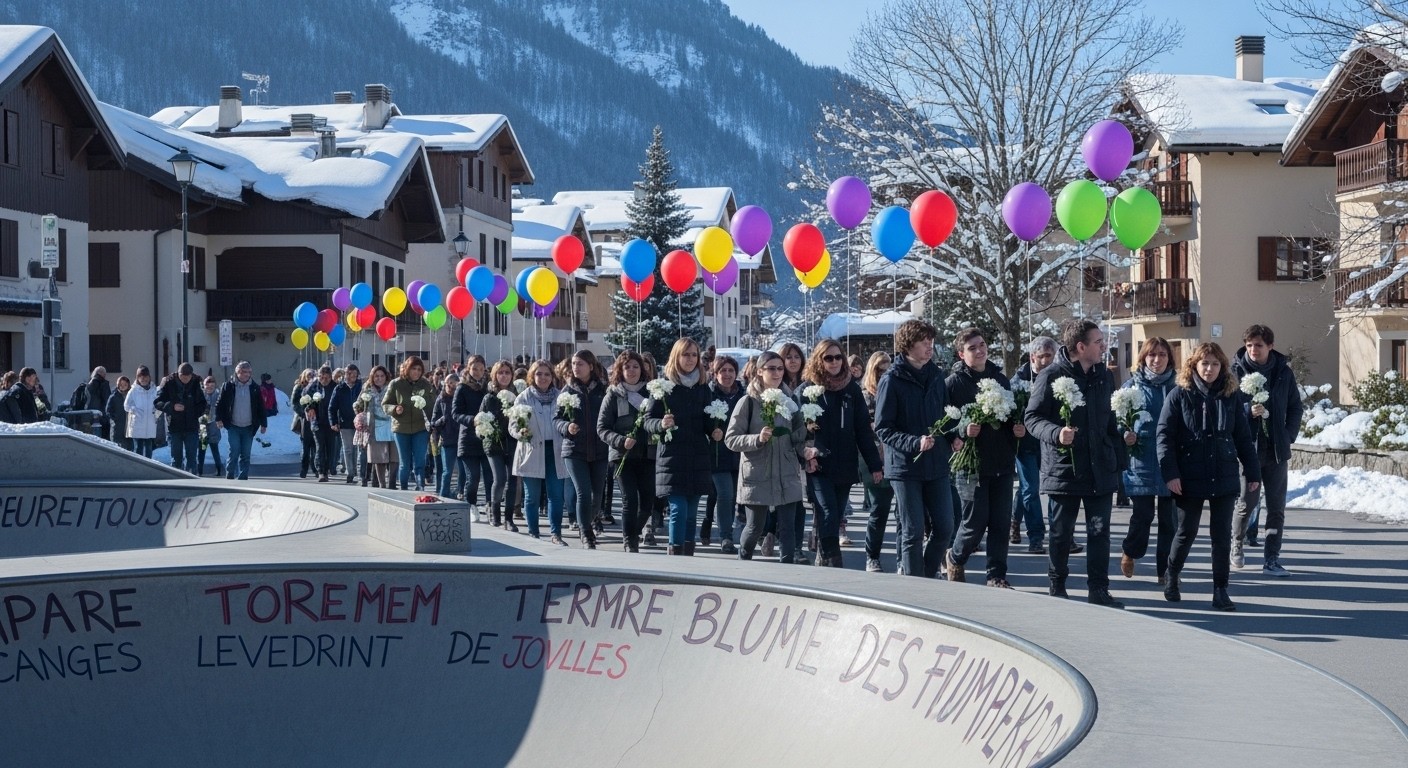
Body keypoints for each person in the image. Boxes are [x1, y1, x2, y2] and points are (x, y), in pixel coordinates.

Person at [1024, 319, 1135, 607]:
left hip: (1101, 469)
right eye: (1098, 342)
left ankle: (1098, 590)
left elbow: (1110, 421)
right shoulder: (1050, 376)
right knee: (1061, 534)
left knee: (1100, 533)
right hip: (1065, 469)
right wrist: (1056, 434)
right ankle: (1057, 586)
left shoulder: (1104, 376)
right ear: (1081, 346)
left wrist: (1119, 459)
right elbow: (1032, 419)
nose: (1104, 346)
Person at [1158, 342, 1262, 611]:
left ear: (1222, 367)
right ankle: (1172, 574)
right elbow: (1165, 437)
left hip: (1224, 474)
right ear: (1194, 365)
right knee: (1186, 531)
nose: (1209, 369)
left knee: (1221, 535)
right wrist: (1171, 473)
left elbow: (1242, 436)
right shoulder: (1179, 394)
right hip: (1189, 475)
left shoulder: (1231, 395)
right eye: (1204, 363)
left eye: (1215, 364)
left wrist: (1252, 471)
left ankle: (1220, 590)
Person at [875, 319, 960, 578]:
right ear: (908, 345)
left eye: (931, 342)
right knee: (912, 531)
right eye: (924, 342)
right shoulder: (891, 380)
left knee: (946, 527)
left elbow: (946, 415)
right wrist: (914, 442)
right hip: (905, 468)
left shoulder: (936, 375)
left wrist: (953, 435)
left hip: (936, 464)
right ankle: (915, 588)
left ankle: (925, 572)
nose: (929, 347)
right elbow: (883, 428)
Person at [944, 328, 1023, 588]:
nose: (980, 351)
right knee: (974, 522)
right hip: (971, 465)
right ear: (961, 354)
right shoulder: (953, 383)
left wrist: (1017, 428)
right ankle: (955, 557)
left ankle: (996, 575)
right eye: (972, 348)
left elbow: (1010, 416)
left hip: (1001, 460)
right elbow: (945, 423)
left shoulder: (1000, 379)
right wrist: (962, 431)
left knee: (1000, 522)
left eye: (982, 345)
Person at [725, 351, 814, 561]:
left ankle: (787, 572)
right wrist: (757, 438)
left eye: (780, 368)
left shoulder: (790, 400)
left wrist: (807, 445)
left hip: (787, 472)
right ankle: (743, 561)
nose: (777, 373)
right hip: (757, 474)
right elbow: (731, 439)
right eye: (771, 368)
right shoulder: (748, 401)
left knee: (788, 528)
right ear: (759, 371)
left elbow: (797, 438)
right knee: (755, 526)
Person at [802, 339, 882, 567]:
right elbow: (798, 429)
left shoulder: (852, 390)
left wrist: (875, 465)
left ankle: (823, 553)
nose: (835, 362)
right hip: (818, 464)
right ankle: (833, 560)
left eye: (838, 357)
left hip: (845, 463)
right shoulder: (808, 388)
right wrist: (807, 453)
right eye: (829, 358)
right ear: (819, 360)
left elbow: (863, 432)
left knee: (835, 514)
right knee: (827, 511)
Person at [1231, 324, 1302, 577]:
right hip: (1248, 450)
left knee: (1276, 508)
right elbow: (1227, 407)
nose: (1253, 350)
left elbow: (1295, 407)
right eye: (1249, 345)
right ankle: (1237, 545)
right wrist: (1246, 412)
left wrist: (1287, 435)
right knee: (1246, 503)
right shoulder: (1235, 371)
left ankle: (1272, 558)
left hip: (1275, 451)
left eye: (1258, 345)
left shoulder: (1283, 372)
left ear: (1270, 346)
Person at [646, 338, 714, 556]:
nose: (690, 359)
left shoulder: (703, 387)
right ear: (676, 356)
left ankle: (688, 556)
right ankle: (675, 556)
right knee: (678, 509)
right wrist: (660, 424)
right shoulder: (664, 386)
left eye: (694, 355)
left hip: (697, 456)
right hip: (672, 457)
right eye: (686, 354)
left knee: (692, 513)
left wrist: (716, 428)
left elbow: (708, 419)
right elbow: (648, 420)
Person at [1119, 337, 1178, 585]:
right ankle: (1131, 551)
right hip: (1140, 461)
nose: (1157, 360)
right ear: (1143, 358)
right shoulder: (1131, 387)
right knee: (1142, 516)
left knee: (1169, 522)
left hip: (1170, 463)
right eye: (1152, 355)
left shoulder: (1179, 387)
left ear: (1170, 359)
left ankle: (1165, 572)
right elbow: (1116, 419)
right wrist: (1125, 434)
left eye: (1162, 355)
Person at [598, 351, 654, 552]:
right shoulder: (613, 394)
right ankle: (629, 541)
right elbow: (602, 428)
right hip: (623, 456)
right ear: (620, 370)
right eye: (627, 367)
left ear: (643, 369)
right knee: (629, 499)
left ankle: (634, 531)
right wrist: (620, 441)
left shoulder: (651, 393)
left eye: (635, 366)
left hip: (648, 455)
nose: (631, 371)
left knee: (648, 502)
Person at [556, 350, 609, 549]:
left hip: (599, 450)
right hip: (574, 450)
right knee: (583, 493)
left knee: (597, 496)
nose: (576, 368)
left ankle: (589, 519)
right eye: (574, 364)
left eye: (580, 364)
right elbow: (557, 419)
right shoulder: (567, 391)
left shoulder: (602, 390)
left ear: (591, 366)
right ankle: (585, 532)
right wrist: (566, 428)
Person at [511, 359, 567, 544]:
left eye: (547, 374)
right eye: (539, 374)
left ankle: (555, 534)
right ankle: (534, 533)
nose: (543, 378)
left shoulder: (561, 396)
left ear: (552, 376)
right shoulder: (523, 398)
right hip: (532, 449)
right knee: (532, 497)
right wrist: (520, 432)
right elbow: (512, 425)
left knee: (556, 495)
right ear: (532, 376)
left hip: (555, 450)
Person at [1011, 337, 1056, 554]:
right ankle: (1036, 536)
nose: (1046, 361)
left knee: (1049, 488)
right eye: (1042, 357)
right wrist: (1015, 425)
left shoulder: (1059, 376)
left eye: (1050, 356)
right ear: (1032, 357)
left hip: (1050, 442)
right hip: (1026, 443)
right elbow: (1008, 410)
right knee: (1030, 488)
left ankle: (1015, 518)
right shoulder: (1018, 381)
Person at [704, 354, 745, 554]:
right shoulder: (708, 394)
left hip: (739, 454)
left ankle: (712, 523)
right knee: (725, 494)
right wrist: (711, 430)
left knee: (734, 496)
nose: (727, 375)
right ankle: (726, 537)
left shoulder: (743, 395)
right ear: (715, 373)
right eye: (723, 371)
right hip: (717, 454)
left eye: (730, 370)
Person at [860, 351, 895, 573]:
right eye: (879, 370)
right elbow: (864, 432)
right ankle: (872, 556)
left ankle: (904, 559)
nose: (883, 374)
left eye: (887, 369)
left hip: (898, 457)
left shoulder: (894, 391)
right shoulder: (864, 396)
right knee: (879, 510)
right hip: (873, 458)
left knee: (904, 512)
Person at [382, 356, 436, 492]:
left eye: (419, 369)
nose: (416, 372)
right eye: (414, 369)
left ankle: (420, 487)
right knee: (405, 464)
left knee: (420, 462)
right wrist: (395, 409)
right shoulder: (396, 384)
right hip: (401, 428)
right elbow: (385, 404)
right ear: (407, 369)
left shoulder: (425, 384)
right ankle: (404, 490)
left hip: (420, 428)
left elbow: (432, 405)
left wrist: (433, 423)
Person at [479, 360, 519, 531]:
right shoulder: (489, 397)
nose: (504, 376)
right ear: (495, 375)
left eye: (507, 372)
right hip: (493, 443)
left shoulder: (517, 395)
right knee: (500, 479)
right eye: (500, 372)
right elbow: (480, 419)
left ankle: (508, 518)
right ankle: (495, 511)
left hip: (512, 442)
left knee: (513, 479)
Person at [451, 356, 493, 509]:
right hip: (468, 438)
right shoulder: (462, 387)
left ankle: (490, 505)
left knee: (489, 476)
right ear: (468, 369)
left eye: (481, 369)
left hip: (486, 437)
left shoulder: (487, 387)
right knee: (473, 476)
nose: (478, 372)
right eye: (475, 369)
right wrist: (472, 419)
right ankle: (471, 505)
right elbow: (455, 413)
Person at [216, 361, 268, 480]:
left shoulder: (254, 388)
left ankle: (243, 476)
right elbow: (220, 404)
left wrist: (263, 424)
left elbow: (261, 407)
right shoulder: (228, 386)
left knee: (245, 453)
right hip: (233, 425)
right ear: (237, 372)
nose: (247, 375)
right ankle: (230, 474)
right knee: (234, 450)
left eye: (249, 372)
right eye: (245, 372)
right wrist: (218, 419)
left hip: (249, 426)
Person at [155, 362, 206, 473]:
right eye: (182, 377)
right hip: (174, 426)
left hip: (191, 426)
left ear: (191, 375)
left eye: (188, 377)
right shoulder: (168, 382)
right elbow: (158, 402)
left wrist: (191, 412)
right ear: (178, 374)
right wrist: (172, 407)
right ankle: (177, 481)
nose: (185, 379)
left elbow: (203, 405)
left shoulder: (197, 382)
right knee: (176, 458)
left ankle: (192, 482)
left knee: (192, 457)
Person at [364, 365, 398, 489]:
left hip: (392, 423)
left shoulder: (392, 388)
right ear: (372, 377)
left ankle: (392, 482)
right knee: (378, 457)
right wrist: (358, 406)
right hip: (375, 424)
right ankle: (382, 483)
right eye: (376, 376)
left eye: (382, 376)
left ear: (386, 377)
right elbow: (359, 403)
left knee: (394, 455)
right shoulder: (367, 389)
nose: (379, 379)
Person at [329, 364, 363, 483]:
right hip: (345, 423)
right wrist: (333, 422)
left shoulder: (362, 387)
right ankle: (350, 472)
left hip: (360, 423)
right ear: (344, 374)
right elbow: (332, 407)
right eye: (348, 374)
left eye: (353, 374)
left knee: (359, 448)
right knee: (348, 449)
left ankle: (360, 471)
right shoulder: (339, 388)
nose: (351, 376)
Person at [430, 373, 462, 498]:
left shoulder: (461, 398)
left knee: (463, 472)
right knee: (447, 471)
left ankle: (460, 493)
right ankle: (444, 495)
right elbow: (433, 422)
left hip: (461, 439)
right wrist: (443, 420)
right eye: (449, 385)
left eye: (454, 385)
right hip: (447, 440)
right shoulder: (441, 399)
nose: (451, 388)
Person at [124, 366, 159, 457]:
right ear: (137, 378)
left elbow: (159, 405)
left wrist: (156, 412)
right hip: (137, 425)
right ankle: (138, 468)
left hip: (149, 424)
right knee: (138, 449)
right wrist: (134, 410)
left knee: (149, 448)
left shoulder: (154, 390)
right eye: (140, 377)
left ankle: (149, 468)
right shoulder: (133, 391)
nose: (143, 379)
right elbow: (126, 406)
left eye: (145, 376)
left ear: (149, 377)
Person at [197, 376, 224, 477]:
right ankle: (199, 470)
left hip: (214, 423)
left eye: (212, 386)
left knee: (214, 447)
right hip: (203, 423)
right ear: (204, 386)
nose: (209, 388)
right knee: (202, 448)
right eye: (207, 386)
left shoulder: (218, 395)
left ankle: (219, 469)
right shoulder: (201, 395)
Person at [291, 369, 315, 478]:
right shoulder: (299, 387)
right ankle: (304, 468)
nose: (311, 377)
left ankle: (315, 467)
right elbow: (294, 403)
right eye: (309, 375)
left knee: (315, 446)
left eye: (313, 375)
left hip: (315, 419)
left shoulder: (316, 387)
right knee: (305, 446)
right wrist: (303, 413)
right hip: (303, 420)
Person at [84, 366, 112, 439]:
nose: (105, 375)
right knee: (104, 438)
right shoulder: (103, 383)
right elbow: (107, 399)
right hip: (102, 414)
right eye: (104, 373)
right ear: (101, 373)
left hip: (90, 413)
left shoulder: (88, 384)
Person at [106, 375, 131, 449]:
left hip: (129, 426)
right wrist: (115, 418)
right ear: (118, 385)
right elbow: (108, 410)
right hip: (117, 426)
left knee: (129, 447)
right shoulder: (113, 396)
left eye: (125, 385)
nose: (123, 386)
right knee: (118, 446)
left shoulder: (131, 395)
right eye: (121, 385)